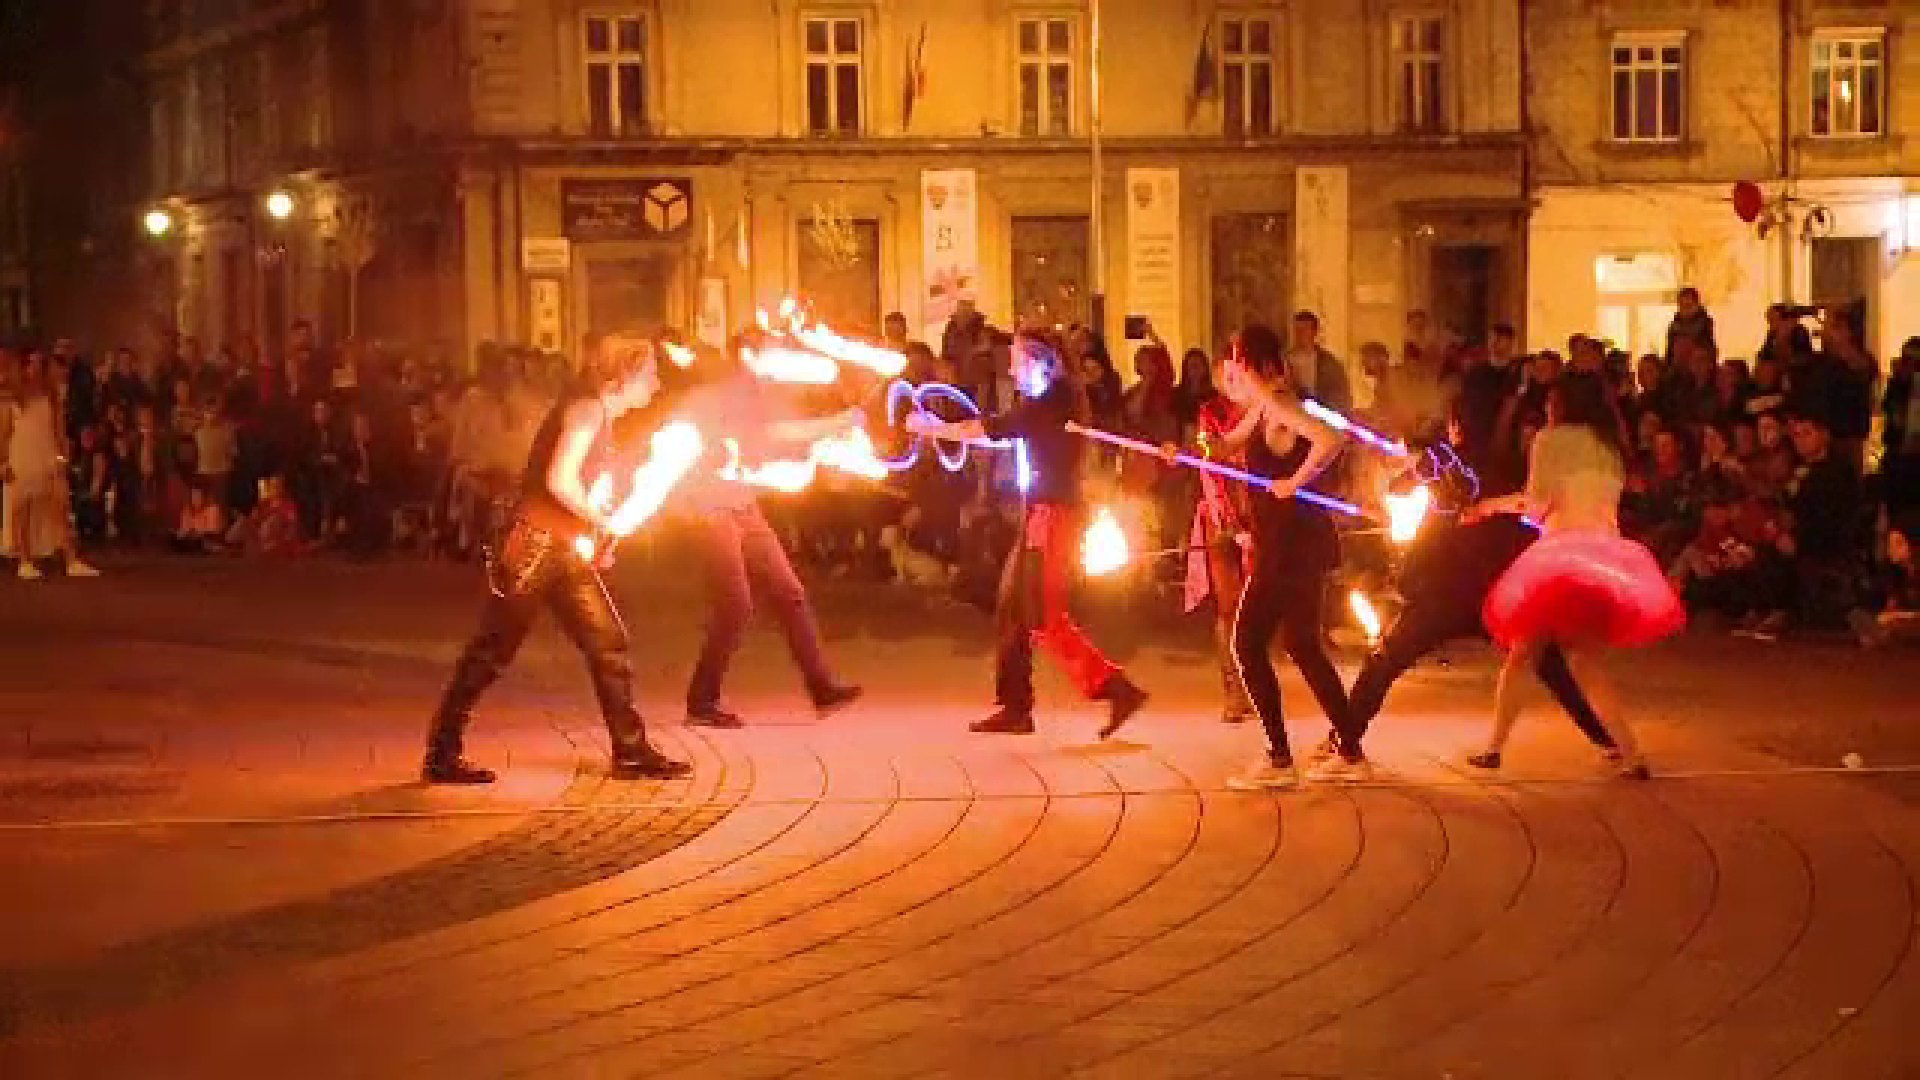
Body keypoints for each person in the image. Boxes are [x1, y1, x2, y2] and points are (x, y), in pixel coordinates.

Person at [421, 333, 690, 785]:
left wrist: (593, 528)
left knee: (608, 643)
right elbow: (560, 479)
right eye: (649, 375)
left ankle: (629, 748)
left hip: (560, 549)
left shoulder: (595, 412)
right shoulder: (585, 410)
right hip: (535, 550)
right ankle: (442, 753)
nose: (656, 385)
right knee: (491, 653)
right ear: (622, 375)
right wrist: (600, 522)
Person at [907, 330, 1149, 738]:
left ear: (1041, 362)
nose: (1012, 368)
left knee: (1043, 616)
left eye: (1018, 359)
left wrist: (931, 428)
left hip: (1053, 517)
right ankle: (1015, 706)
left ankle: (1114, 687)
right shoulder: (1046, 401)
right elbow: (1001, 430)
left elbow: (990, 429)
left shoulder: (1052, 403)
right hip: (1039, 512)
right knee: (1011, 609)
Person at [1465, 371, 1683, 777]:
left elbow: (1536, 504)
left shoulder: (1551, 440)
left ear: (1562, 403)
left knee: (1524, 654)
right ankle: (1628, 752)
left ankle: (1494, 748)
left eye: (1550, 401)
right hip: (1607, 559)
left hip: (1561, 556)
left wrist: (1489, 506)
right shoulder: (1611, 447)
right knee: (1580, 659)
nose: (1546, 409)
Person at [672, 340, 863, 728]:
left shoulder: (759, 392)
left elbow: (780, 439)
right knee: (735, 605)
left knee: (789, 593)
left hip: (742, 506)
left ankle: (821, 687)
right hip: (713, 509)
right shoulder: (726, 393)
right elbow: (777, 434)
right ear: (749, 359)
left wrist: (828, 441)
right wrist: (840, 422)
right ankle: (701, 701)